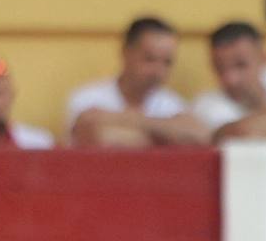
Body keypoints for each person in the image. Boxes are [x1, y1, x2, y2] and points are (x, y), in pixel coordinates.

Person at [66, 17, 209, 148]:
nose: (158, 71)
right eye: (150, 59)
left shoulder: (172, 102)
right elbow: (98, 137)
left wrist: (125, 121)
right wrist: (166, 134)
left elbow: (200, 136)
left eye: (167, 62)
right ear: (125, 52)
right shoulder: (87, 96)